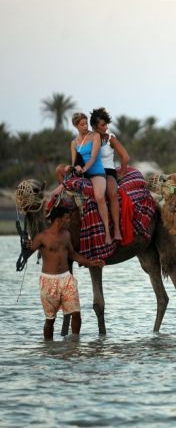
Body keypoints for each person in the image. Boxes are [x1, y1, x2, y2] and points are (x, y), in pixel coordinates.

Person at [24, 202, 105, 340]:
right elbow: (27, 253)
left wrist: (90, 262)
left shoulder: (67, 234)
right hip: (48, 281)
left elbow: (72, 254)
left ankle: (74, 344)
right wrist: (26, 245)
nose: (69, 221)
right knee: (50, 320)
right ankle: (48, 347)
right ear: (58, 219)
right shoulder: (42, 237)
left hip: (67, 279)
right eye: (67, 218)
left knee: (76, 313)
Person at [69, 112, 113, 245]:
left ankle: (107, 233)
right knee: (58, 194)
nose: (85, 126)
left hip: (96, 172)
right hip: (81, 173)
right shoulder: (74, 143)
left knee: (99, 196)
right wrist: (75, 168)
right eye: (82, 124)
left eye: (86, 123)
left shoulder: (95, 136)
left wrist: (84, 169)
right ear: (76, 126)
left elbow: (93, 157)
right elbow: (74, 162)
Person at [90, 108, 130, 243]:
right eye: (102, 125)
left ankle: (116, 230)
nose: (105, 127)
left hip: (108, 170)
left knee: (112, 193)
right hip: (93, 171)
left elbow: (125, 157)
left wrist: (122, 173)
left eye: (106, 124)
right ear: (94, 126)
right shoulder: (88, 138)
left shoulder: (110, 138)